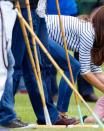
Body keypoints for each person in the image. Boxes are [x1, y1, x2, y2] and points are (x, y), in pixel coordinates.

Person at [11, 0, 78, 125]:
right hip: (24, 8)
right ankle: (6, 113)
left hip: (39, 11)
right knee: (19, 65)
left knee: (41, 65)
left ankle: (48, 116)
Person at [45, 5, 104, 115]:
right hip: (42, 31)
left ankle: (60, 113)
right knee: (74, 66)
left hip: (45, 31)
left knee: (74, 66)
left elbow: (97, 72)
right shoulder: (89, 34)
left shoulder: (96, 35)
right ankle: (61, 113)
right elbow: (85, 72)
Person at [47, 0, 98, 102]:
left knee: (81, 51)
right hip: (49, 12)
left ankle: (86, 91)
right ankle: (53, 92)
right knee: (51, 55)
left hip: (69, 9)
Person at [0, 0, 30, 128]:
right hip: (3, 6)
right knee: (4, 66)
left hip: (10, 8)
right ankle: (6, 115)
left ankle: (7, 114)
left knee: (9, 64)